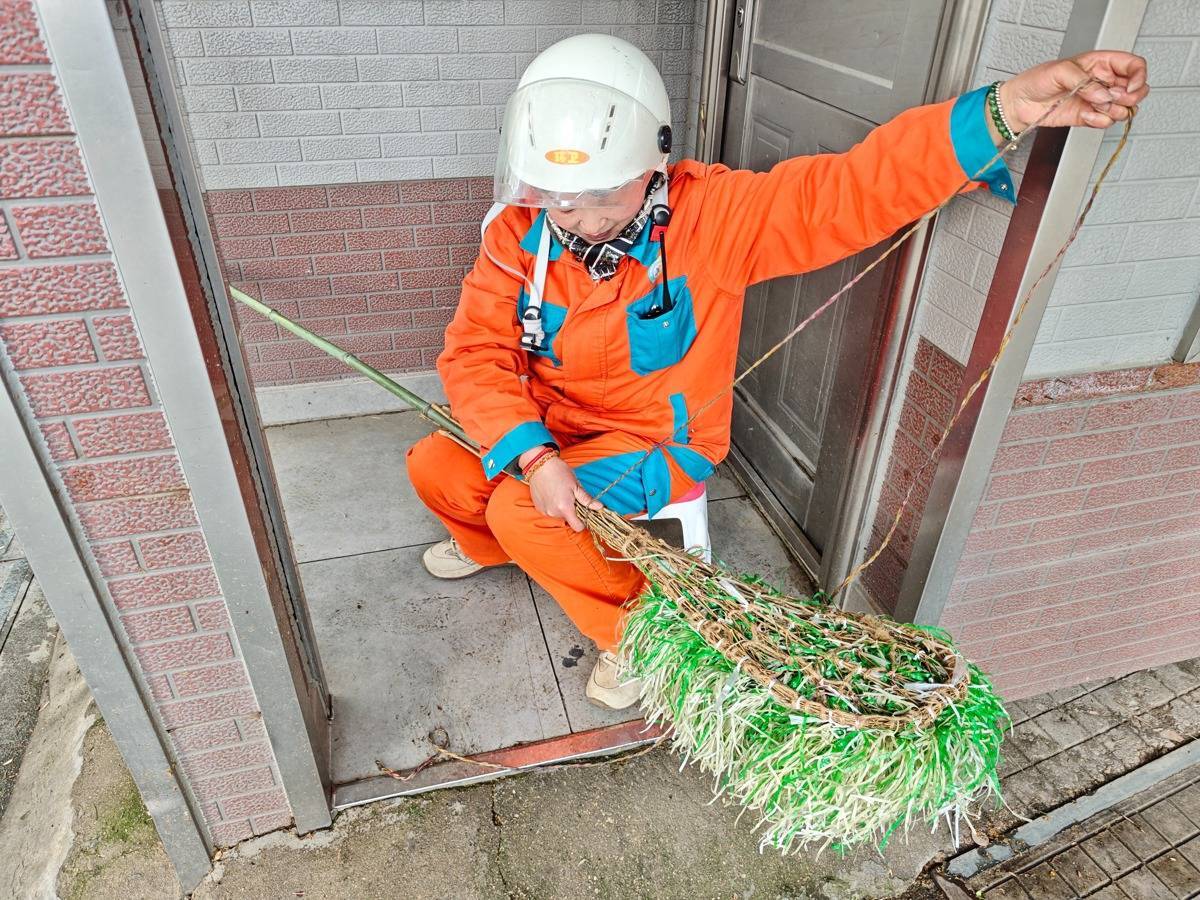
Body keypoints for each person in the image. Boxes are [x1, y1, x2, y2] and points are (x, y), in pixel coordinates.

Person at [407, 34, 1148, 709]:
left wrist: (1007, 109)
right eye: (558, 198)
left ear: (652, 163)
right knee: (436, 467)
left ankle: (640, 634)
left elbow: (852, 190)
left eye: (604, 194)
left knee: (521, 508)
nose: (581, 219)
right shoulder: (516, 235)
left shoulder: (712, 217)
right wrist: (535, 454)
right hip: (550, 427)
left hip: (653, 441)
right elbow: (474, 354)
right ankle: (497, 547)